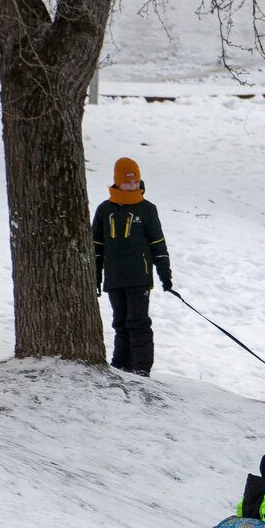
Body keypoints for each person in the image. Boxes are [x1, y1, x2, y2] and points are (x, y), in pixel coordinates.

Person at [92, 157, 172, 377]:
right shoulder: (104, 210)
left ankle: (142, 367)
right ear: (118, 182)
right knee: (120, 322)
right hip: (114, 277)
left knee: (137, 322)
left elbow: (158, 244)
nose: (133, 186)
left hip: (140, 277)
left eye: (136, 182)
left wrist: (165, 275)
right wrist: (95, 278)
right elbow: (96, 247)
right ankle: (120, 363)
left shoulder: (147, 210)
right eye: (128, 182)